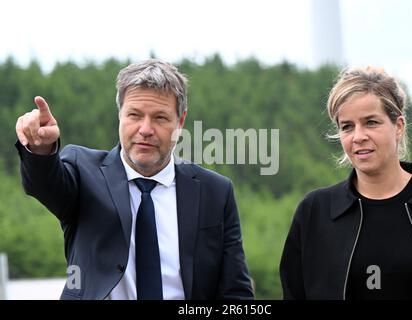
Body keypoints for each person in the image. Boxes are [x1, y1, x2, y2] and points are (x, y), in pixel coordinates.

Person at [15, 59, 254, 300]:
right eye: (134, 115)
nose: (145, 129)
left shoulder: (215, 192)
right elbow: (44, 184)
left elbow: (236, 292)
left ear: (180, 122)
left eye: (160, 118)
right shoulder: (82, 171)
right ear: (120, 115)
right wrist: (41, 149)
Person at [280, 66, 412, 300]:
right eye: (347, 126)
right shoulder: (315, 212)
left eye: (371, 122)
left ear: (398, 126)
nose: (358, 136)